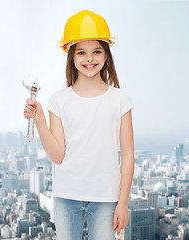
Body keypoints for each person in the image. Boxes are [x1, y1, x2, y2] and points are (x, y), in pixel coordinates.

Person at [23, 9, 134, 240]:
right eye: (81, 52)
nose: (89, 58)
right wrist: (40, 121)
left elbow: (128, 154)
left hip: (106, 197)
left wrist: (123, 202)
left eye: (97, 51)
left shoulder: (120, 99)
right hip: (66, 195)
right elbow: (58, 155)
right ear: (71, 57)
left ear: (106, 56)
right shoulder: (59, 100)